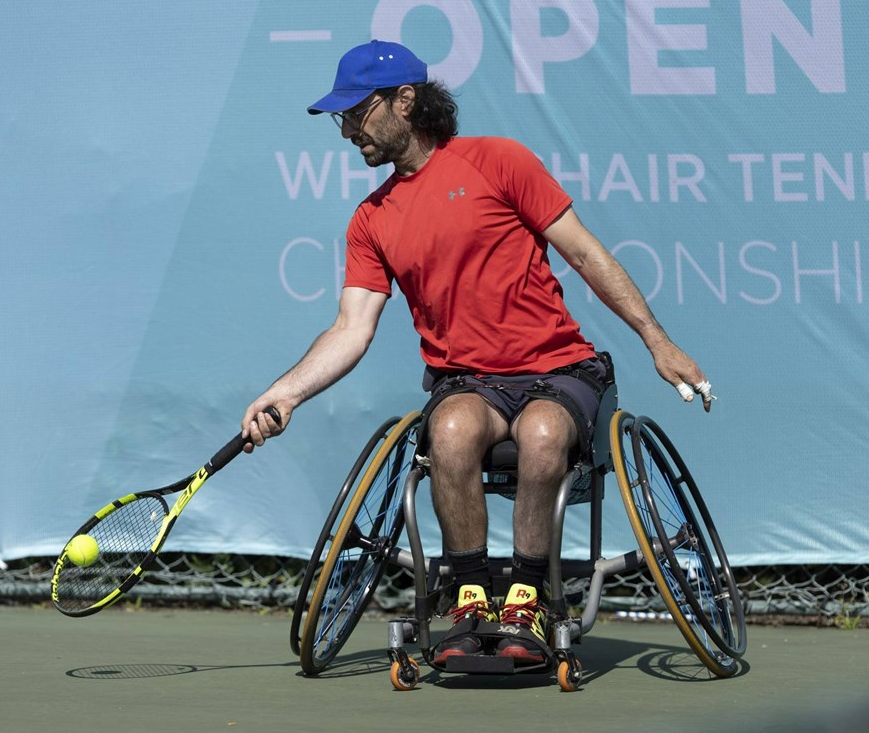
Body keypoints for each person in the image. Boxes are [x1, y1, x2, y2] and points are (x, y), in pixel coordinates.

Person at [242, 40, 714, 665]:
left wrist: (657, 340)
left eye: (355, 111)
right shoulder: (370, 219)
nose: (348, 129)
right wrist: (287, 393)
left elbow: (585, 253)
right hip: (470, 384)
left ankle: (526, 600)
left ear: (404, 102)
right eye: (342, 117)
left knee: (545, 432)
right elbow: (351, 329)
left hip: (559, 371)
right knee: (452, 429)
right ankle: (469, 601)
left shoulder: (498, 162)